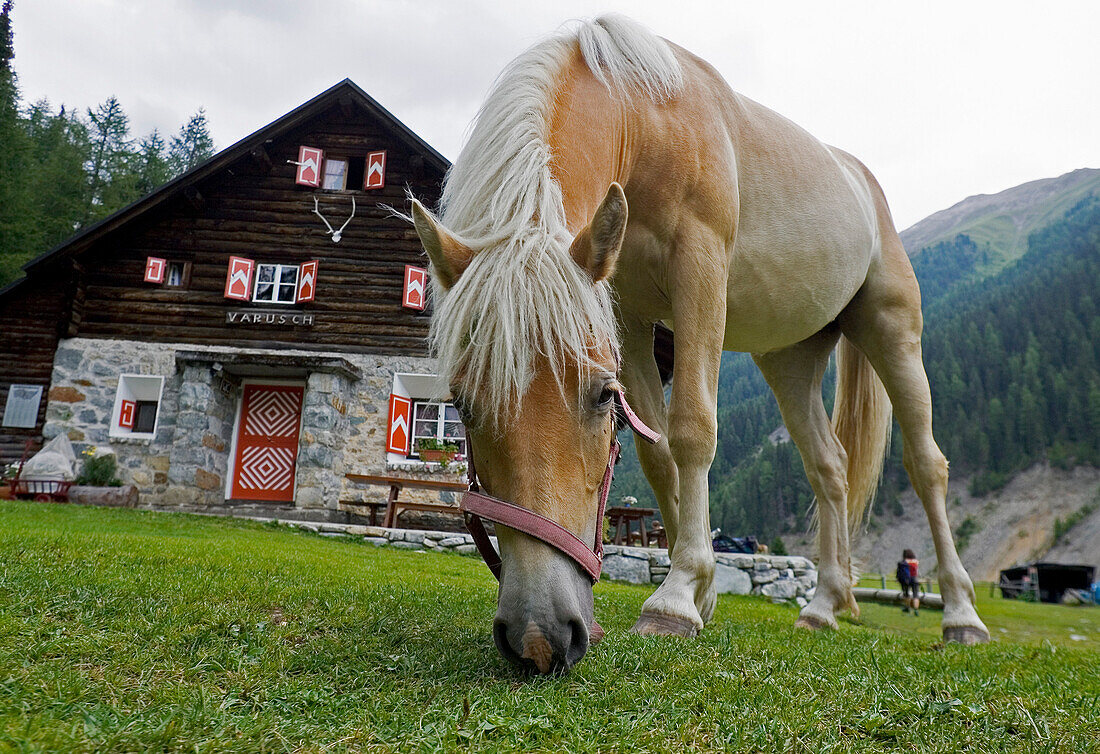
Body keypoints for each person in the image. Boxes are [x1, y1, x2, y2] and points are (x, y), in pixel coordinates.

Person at [895, 549, 921, 615]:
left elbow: (900, 571)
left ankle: (907, 608)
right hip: (915, 579)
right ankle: (916, 610)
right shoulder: (916, 561)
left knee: (906, 594)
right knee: (916, 595)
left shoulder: (904, 561)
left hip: (906, 580)